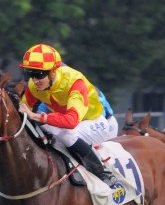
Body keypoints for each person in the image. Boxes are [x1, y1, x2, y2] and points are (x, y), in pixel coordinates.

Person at [18, 44, 118, 187]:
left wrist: (36, 116)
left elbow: (71, 121)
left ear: (53, 71)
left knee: (66, 135)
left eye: (39, 74)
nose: (34, 80)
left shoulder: (74, 82)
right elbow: (23, 107)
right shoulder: (35, 85)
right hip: (68, 123)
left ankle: (103, 172)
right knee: (42, 132)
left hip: (95, 123)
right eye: (31, 74)